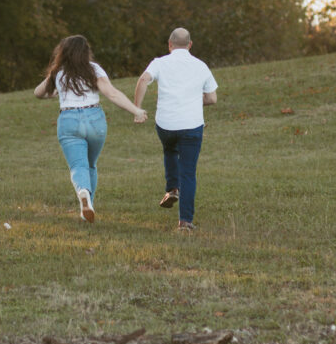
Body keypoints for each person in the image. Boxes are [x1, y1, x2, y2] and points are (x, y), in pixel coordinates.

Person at [35, 35, 147, 222]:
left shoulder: (59, 72)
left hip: (69, 120)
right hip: (95, 119)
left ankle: (83, 194)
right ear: (86, 51)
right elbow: (111, 93)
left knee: (79, 165)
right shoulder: (94, 69)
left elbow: (38, 93)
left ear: (63, 52)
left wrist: (58, 91)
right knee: (91, 165)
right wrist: (136, 110)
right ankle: (88, 204)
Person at [134, 27, 217, 232]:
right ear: (190, 45)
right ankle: (185, 222)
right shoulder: (201, 66)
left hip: (166, 124)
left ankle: (172, 188)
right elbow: (212, 98)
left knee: (170, 149)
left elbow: (143, 79)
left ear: (169, 44)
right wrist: (194, 101)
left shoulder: (160, 63)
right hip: (192, 125)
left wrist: (137, 109)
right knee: (188, 172)